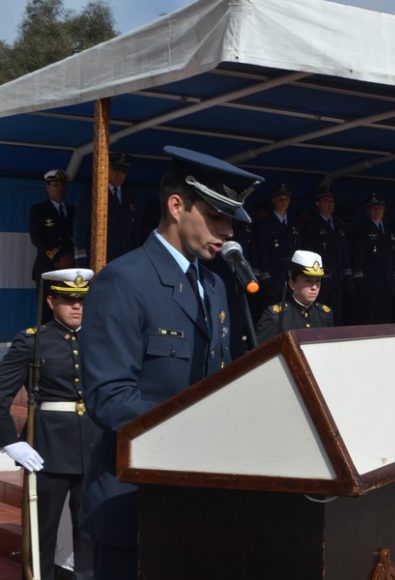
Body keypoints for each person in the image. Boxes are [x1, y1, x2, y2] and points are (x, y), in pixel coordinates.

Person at [80, 146, 260, 579]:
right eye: (216, 216)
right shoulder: (124, 280)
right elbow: (109, 396)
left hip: (196, 500)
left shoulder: (215, 285)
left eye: (230, 219)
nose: (227, 230)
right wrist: (194, 431)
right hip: (135, 498)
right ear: (177, 206)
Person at [0, 268, 100, 580]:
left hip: (93, 446)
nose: (76, 307)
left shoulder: (101, 341)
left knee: (91, 530)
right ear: (52, 301)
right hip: (49, 449)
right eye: (69, 300)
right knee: (42, 530)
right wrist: (11, 441)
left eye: (82, 300)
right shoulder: (33, 342)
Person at [75, 153, 138, 267]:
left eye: (123, 171)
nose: (119, 175)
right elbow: (82, 224)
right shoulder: (93, 191)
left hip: (125, 260)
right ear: (107, 169)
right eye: (116, 170)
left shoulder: (130, 194)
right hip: (99, 259)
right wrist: (81, 258)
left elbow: (134, 230)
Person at [255, 250, 333, 342]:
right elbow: (260, 353)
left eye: (318, 281)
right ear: (292, 284)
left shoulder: (324, 315)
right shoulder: (275, 317)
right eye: (308, 281)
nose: (314, 287)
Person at [301, 186, 351, 324]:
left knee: (336, 315)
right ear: (318, 204)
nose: (329, 204)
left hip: (338, 279)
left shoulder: (339, 225)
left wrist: (347, 275)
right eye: (326, 201)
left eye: (331, 201)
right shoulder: (311, 225)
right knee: (319, 315)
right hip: (320, 280)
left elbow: (344, 253)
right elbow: (309, 254)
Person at [350, 193, 395, 325]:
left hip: (386, 283)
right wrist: (359, 281)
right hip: (370, 284)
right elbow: (357, 257)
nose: (377, 211)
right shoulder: (361, 230)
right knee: (368, 318)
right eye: (373, 208)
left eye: (380, 208)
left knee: (384, 318)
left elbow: (393, 256)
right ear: (367, 210)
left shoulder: (388, 229)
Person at [253, 184, 299, 307]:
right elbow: (261, 252)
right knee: (273, 315)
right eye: (280, 199)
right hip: (273, 278)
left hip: (290, 279)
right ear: (273, 200)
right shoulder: (265, 225)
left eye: (286, 199)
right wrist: (265, 277)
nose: (284, 202)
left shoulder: (294, 224)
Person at [30, 170, 76, 286]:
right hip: (48, 266)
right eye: (55, 185)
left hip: (70, 266)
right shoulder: (39, 210)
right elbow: (37, 238)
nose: (59, 188)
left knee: (68, 302)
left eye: (62, 185)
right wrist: (59, 257)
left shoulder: (73, 211)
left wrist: (70, 258)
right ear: (48, 187)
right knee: (46, 303)